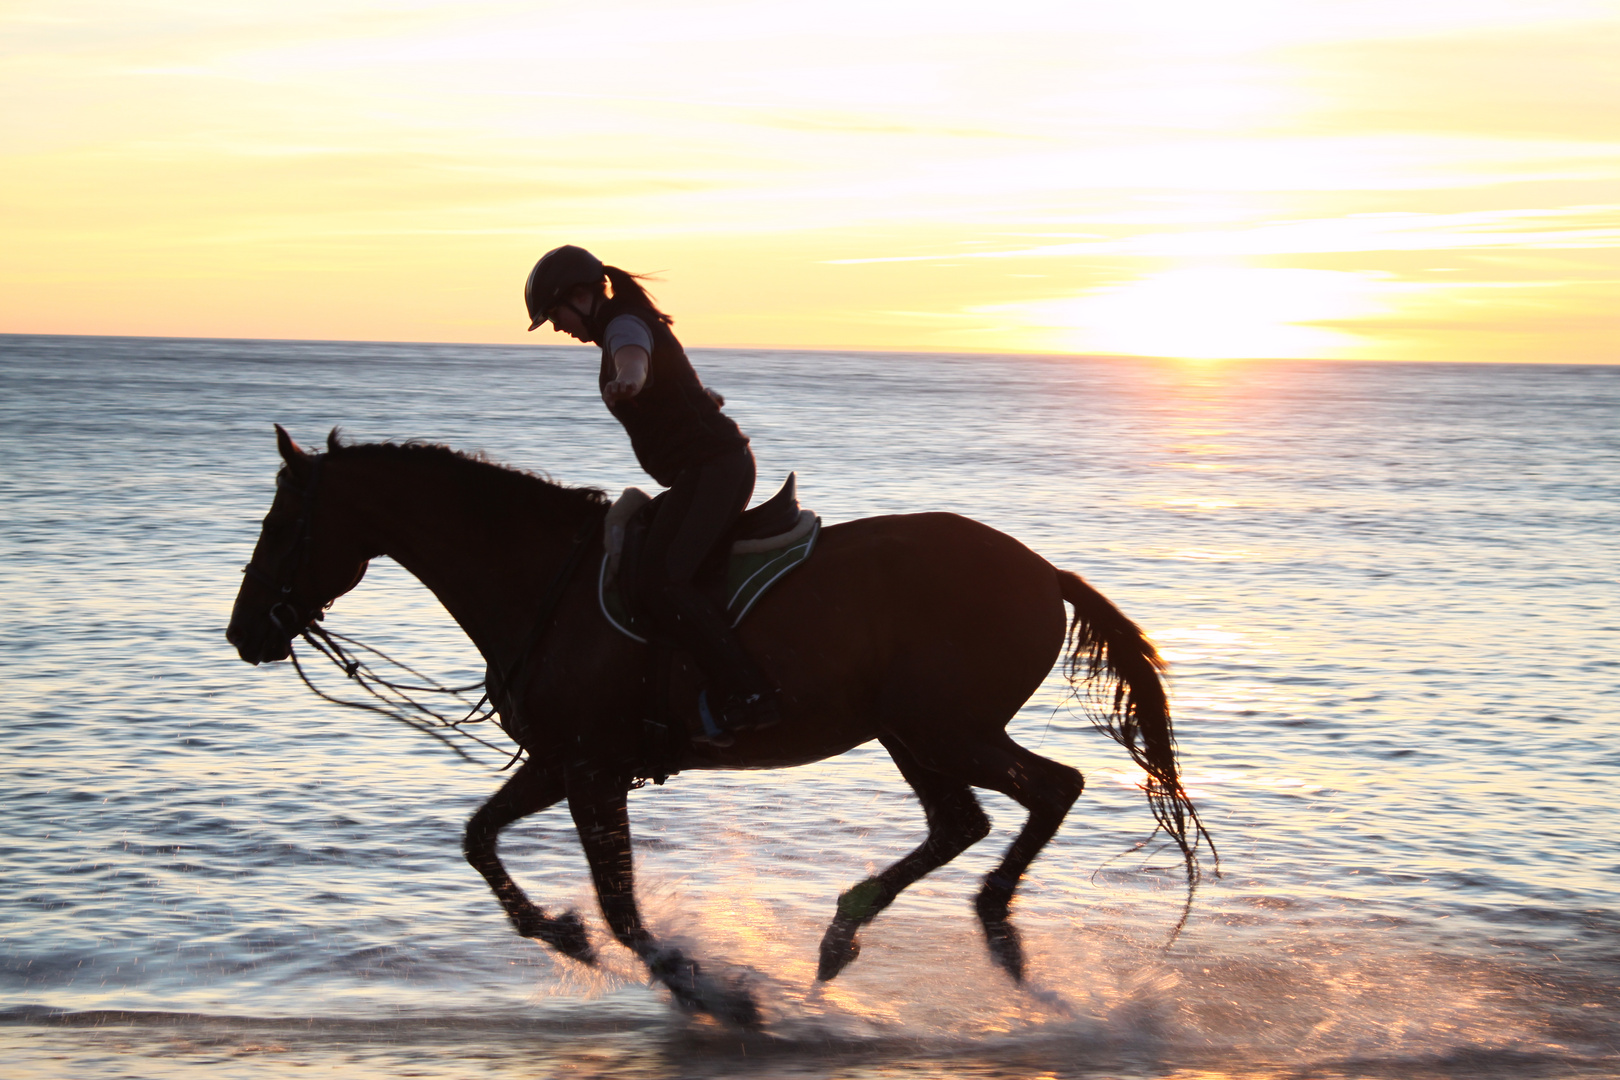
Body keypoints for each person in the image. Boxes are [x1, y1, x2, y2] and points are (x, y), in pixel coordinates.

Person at [524, 244, 779, 741]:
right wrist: (700, 398)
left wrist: (629, 381)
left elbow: (635, 359)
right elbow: (674, 377)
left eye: (554, 314)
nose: (556, 327)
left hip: (715, 471)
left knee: (661, 581)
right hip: (704, 472)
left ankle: (749, 694)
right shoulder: (625, 322)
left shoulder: (622, 324)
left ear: (580, 296)